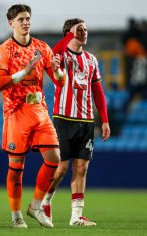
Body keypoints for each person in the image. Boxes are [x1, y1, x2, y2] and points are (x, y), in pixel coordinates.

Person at [0, 4, 64, 228]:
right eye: (21, 19)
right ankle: (16, 216)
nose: (26, 22)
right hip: (16, 112)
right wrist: (25, 70)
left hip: (40, 111)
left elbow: (60, 81)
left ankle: (35, 206)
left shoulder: (42, 48)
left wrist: (58, 70)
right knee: (17, 167)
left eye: (28, 18)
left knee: (54, 159)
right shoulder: (4, 50)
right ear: (11, 23)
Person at [42, 18, 111, 226]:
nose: (85, 32)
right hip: (63, 118)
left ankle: (76, 216)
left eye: (87, 29)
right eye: (80, 29)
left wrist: (104, 120)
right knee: (62, 167)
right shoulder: (61, 56)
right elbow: (52, 56)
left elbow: (98, 92)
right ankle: (44, 202)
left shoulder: (91, 59)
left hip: (86, 120)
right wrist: (69, 35)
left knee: (82, 168)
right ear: (69, 33)